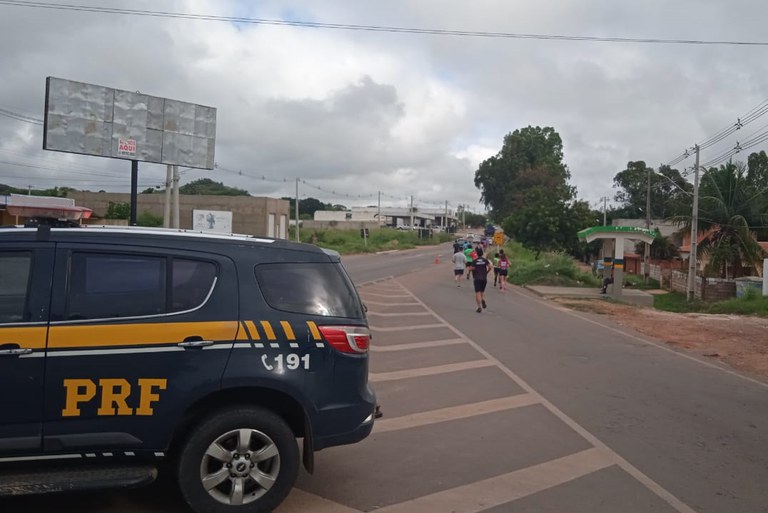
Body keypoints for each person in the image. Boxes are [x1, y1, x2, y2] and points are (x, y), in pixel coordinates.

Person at [471, 247, 492, 313]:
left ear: (477, 253)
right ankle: (482, 299)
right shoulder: (485, 260)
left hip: (477, 278)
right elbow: (490, 267)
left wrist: (474, 271)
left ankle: (479, 307)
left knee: (477, 293)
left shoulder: (475, 261)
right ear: (482, 253)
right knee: (482, 292)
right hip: (484, 278)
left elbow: (472, 268)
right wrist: (486, 272)